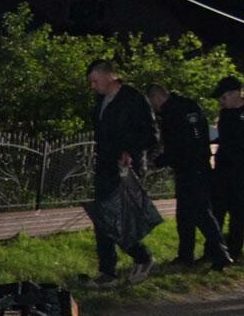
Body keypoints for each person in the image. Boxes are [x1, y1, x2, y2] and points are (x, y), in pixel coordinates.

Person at [86, 60, 158, 287]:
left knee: (116, 219)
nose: (92, 86)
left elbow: (151, 135)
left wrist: (130, 151)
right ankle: (109, 271)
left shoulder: (132, 99)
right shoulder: (101, 101)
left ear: (109, 77)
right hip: (106, 165)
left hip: (126, 169)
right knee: (102, 217)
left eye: (94, 81)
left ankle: (141, 257)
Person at [145, 84, 231, 269]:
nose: (153, 108)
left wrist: (160, 160)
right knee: (185, 215)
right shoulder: (186, 106)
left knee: (202, 214)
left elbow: (181, 145)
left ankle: (220, 253)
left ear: (156, 98)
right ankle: (186, 255)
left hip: (191, 169)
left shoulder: (174, 113)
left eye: (151, 103)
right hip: (193, 168)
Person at [212, 76, 244, 260]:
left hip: (241, 171)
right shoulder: (225, 115)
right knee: (217, 211)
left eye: (224, 97)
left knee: (238, 214)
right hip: (223, 170)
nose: (221, 102)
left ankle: (234, 250)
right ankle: (215, 250)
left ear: (235, 94)